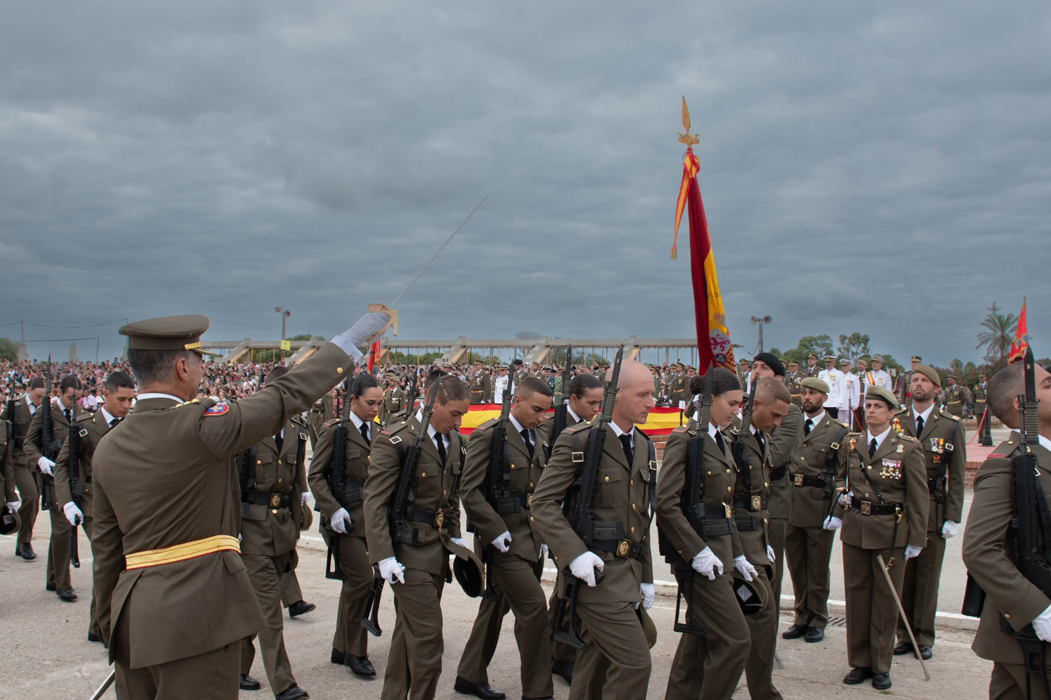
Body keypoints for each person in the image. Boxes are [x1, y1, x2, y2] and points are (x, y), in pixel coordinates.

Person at [91, 309, 390, 700]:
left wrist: (107, 623)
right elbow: (284, 395)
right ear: (182, 366)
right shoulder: (201, 424)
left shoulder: (108, 446)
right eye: (199, 362)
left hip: (134, 621)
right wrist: (348, 342)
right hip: (198, 617)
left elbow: (107, 548)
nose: (202, 371)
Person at [532, 359, 657, 700]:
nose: (652, 402)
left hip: (627, 573)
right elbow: (542, 503)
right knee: (635, 663)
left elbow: (640, 519)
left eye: (653, 394)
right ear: (615, 395)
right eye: (643, 394)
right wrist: (574, 555)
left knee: (594, 662)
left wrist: (645, 574)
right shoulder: (579, 441)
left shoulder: (643, 445)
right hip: (596, 575)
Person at [363, 372, 472, 700]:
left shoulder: (453, 443)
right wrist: (382, 555)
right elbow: (375, 502)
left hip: (435, 553)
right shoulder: (398, 440)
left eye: (462, 415)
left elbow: (450, 499)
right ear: (434, 402)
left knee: (406, 636)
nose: (458, 420)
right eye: (454, 413)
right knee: (428, 646)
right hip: (406, 555)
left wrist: (455, 537)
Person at [456, 377, 554, 700]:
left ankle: (469, 675)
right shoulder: (490, 435)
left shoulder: (539, 438)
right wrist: (494, 530)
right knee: (535, 609)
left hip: (531, 540)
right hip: (503, 542)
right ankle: (538, 691)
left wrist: (543, 532)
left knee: (495, 605)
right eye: (536, 409)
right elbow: (469, 491)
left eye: (545, 410)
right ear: (517, 402)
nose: (542, 416)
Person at [658, 368, 750, 700]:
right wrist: (696, 551)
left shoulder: (719, 439)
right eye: (732, 403)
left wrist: (737, 553)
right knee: (735, 639)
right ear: (711, 399)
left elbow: (724, 506)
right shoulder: (687, 438)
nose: (737, 410)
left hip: (720, 552)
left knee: (697, 638)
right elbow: (667, 504)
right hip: (699, 556)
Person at [962, 360, 1051, 698]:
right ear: (1023, 404)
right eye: (1048, 385)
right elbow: (981, 550)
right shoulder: (1008, 465)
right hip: (1031, 637)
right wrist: (1039, 611)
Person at [839, 386, 927, 690]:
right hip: (855, 528)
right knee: (857, 595)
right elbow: (841, 478)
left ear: (892, 413)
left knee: (886, 599)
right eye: (869, 405)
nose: (871, 410)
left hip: (890, 530)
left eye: (878, 406)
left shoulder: (907, 447)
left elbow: (919, 496)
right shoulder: (852, 443)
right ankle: (859, 661)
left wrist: (916, 537)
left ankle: (880, 664)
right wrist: (840, 498)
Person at [236, 364, 312, 700]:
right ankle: (284, 684)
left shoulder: (297, 428)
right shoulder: (246, 428)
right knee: (269, 611)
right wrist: (230, 531)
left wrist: (296, 526)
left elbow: (295, 484)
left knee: (252, 607)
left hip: (281, 531)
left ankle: (235, 666)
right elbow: (231, 485)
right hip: (250, 530)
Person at [310, 372, 384, 679]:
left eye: (380, 403)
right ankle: (357, 650)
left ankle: (340, 648)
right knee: (362, 582)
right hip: (344, 522)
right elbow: (315, 475)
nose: (375, 409)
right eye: (370, 403)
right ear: (352, 401)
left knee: (356, 584)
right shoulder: (335, 432)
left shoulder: (378, 433)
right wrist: (333, 510)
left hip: (370, 521)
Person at [891, 364, 966, 660]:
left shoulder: (950, 425)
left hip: (934, 508)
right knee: (903, 575)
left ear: (936, 388)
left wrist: (952, 516)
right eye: (914, 380)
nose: (918, 384)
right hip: (903, 508)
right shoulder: (897, 421)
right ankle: (904, 635)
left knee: (927, 575)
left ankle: (923, 635)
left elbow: (957, 476)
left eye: (924, 380)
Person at [53, 371, 136, 640]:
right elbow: (63, 466)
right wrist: (66, 503)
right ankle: (106, 630)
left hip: (125, 503)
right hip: (92, 504)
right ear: (106, 395)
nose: (126, 405)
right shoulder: (84, 426)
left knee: (116, 564)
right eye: (121, 399)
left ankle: (96, 626)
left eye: (131, 400)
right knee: (107, 563)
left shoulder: (133, 424)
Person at [537, 371, 603, 684]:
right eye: (592, 402)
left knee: (566, 592)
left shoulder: (591, 429)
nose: (596, 408)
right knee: (567, 593)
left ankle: (556, 651)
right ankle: (557, 655)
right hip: (557, 517)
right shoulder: (552, 427)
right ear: (573, 399)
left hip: (579, 517)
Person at [730, 376, 792, 700]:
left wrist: (763, 536)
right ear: (755, 405)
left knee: (761, 618)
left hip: (755, 541)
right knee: (753, 618)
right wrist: (736, 550)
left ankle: (762, 690)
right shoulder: (734, 437)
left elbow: (758, 496)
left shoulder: (760, 437)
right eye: (776, 415)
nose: (779, 423)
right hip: (736, 544)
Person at [782, 377, 848, 644]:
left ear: (825, 398)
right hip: (791, 503)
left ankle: (818, 618)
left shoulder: (838, 431)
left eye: (813, 393)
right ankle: (801, 616)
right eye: (804, 393)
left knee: (817, 568)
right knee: (796, 565)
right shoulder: (792, 424)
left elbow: (842, 475)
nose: (806, 397)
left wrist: (838, 512)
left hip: (819, 504)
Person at [749, 353, 804, 626]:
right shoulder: (741, 408)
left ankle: (765, 635)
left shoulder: (790, 411)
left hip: (774, 500)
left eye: (764, 368)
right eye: (754, 367)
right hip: (745, 500)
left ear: (779, 378)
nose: (756, 372)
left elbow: (776, 456)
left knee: (769, 573)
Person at [25, 374, 86, 601]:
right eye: (72, 398)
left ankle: (52, 578)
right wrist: (40, 460)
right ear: (61, 392)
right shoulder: (47, 412)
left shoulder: (80, 414)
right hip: (53, 478)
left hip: (76, 478)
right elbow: (29, 442)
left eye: (79, 398)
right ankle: (63, 583)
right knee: (63, 530)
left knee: (62, 530)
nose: (75, 402)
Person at [2, 376, 45, 560]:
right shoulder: (15, 407)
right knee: (30, 495)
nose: (39, 400)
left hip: (35, 461)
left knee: (34, 503)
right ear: (29, 391)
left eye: (43, 397)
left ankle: (23, 540)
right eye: (37, 396)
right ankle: (24, 539)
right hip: (17, 459)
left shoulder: (45, 410)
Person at [817, 356, 843, 421]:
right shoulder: (821, 373)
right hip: (822, 403)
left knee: (832, 422)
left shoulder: (839, 373)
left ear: (834, 363)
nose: (828, 364)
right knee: (822, 421)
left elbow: (842, 389)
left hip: (833, 403)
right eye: (826, 362)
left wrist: (839, 402)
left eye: (829, 362)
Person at [972, 372, 993, 446]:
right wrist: (976, 406)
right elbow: (973, 398)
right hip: (978, 407)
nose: (981, 379)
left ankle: (987, 437)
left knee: (987, 424)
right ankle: (980, 438)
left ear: (985, 378)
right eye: (980, 378)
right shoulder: (976, 387)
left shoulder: (989, 386)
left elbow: (991, 396)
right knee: (979, 424)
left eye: (982, 377)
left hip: (986, 406)